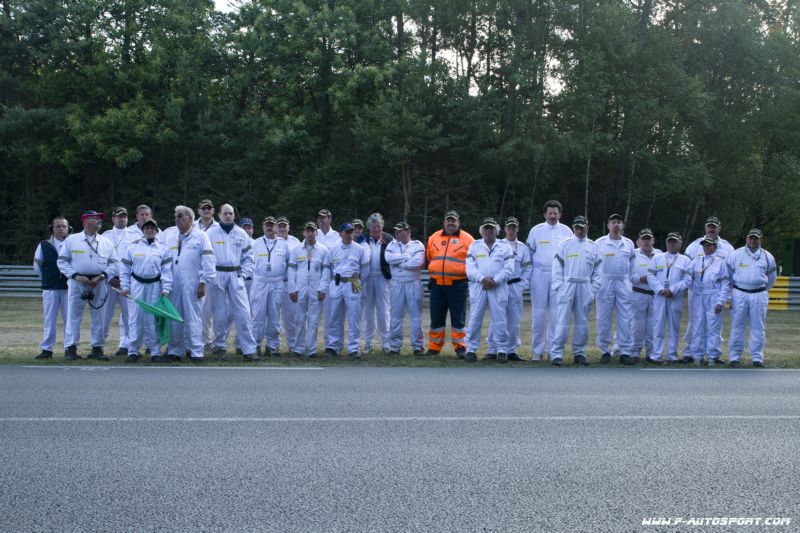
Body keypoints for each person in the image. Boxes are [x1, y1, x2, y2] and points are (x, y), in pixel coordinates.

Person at [57, 210, 118, 360]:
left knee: (99, 316)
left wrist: (102, 276)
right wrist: (76, 276)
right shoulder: (72, 240)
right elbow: (62, 261)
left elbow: (114, 263)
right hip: (77, 282)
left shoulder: (106, 242)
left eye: (100, 218)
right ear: (85, 222)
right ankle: (70, 349)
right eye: (95, 218)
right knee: (73, 315)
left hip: (99, 283)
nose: (99, 220)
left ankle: (97, 349)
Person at [206, 204, 259, 361]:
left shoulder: (241, 233)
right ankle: (219, 346)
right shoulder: (210, 233)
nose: (228, 216)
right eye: (225, 213)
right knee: (219, 313)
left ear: (234, 215)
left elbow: (249, 257)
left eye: (230, 213)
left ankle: (249, 349)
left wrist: (244, 274)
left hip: (236, 274)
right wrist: (210, 274)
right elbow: (205, 256)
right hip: (217, 274)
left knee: (244, 312)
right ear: (219, 215)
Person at [163, 206, 216, 363]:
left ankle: (196, 351)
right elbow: (166, 262)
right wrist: (166, 284)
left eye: (181, 216)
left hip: (193, 284)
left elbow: (208, 261)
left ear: (191, 219)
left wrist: (203, 283)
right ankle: (175, 350)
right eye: (176, 217)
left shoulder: (200, 236)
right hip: (174, 284)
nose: (178, 219)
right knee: (174, 318)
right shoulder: (171, 236)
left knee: (193, 318)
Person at [526, 200, 574, 361]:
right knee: (538, 313)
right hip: (539, 274)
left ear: (560, 214)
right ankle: (537, 351)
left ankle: (554, 351)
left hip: (559, 276)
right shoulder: (536, 230)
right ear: (544, 214)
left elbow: (570, 255)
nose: (552, 216)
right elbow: (529, 255)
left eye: (555, 213)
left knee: (556, 314)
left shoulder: (567, 231)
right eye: (550, 213)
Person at [119, 219, 173, 363]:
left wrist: (166, 288)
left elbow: (167, 270)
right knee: (135, 319)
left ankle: (155, 352)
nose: (150, 230)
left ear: (156, 231)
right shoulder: (133, 247)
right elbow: (124, 269)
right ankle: (133, 351)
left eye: (152, 228)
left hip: (155, 286)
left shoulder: (163, 248)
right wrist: (125, 286)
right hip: (136, 286)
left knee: (153, 320)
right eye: (147, 228)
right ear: (143, 230)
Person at [682, 216, 734, 363]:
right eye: (709, 226)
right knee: (695, 323)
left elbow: (729, 275)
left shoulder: (728, 248)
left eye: (714, 226)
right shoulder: (694, 246)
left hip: (715, 292)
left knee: (714, 325)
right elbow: (686, 270)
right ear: (705, 227)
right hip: (696, 293)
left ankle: (714, 355)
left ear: (719, 228)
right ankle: (691, 353)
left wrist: (724, 298)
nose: (711, 229)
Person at [550, 215, 600, 366]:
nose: (579, 230)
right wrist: (559, 287)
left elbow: (598, 271)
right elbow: (557, 268)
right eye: (577, 227)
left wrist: (593, 289)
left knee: (582, 322)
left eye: (582, 227)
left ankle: (579, 353)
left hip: (585, 286)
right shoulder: (564, 244)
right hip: (567, 285)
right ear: (573, 228)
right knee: (562, 321)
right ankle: (556, 353)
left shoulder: (593, 247)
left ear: (587, 227)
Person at [425, 210, 475, 357]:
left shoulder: (468, 239)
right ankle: (434, 348)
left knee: (458, 318)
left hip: (458, 285)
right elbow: (429, 257)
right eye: (448, 220)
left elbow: (473, 262)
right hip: (437, 285)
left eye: (453, 220)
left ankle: (460, 347)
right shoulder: (433, 237)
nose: (451, 223)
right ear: (444, 222)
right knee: (436, 317)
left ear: (458, 222)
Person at [465, 218, 514, 362]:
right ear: (482, 230)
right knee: (475, 319)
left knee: (500, 320)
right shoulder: (474, 246)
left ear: (496, 230)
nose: (488, 230)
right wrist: (482, 279)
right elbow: (470, 268)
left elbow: (509, 269)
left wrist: (495, 281)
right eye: (486, 228)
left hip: (498, 286)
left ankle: (502, 350)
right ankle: (470, 350)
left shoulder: (505, 246)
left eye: (491, 228)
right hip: (479, 286)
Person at [726, 229, 778, 368]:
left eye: (756, 238)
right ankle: (734, 357)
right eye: (751, 238)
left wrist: (761, 289)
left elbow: (771, 278)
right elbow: (729, 275)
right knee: (737, 325)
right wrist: (735, 290)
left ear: (760, 240)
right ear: (746, 238)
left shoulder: (767, 256)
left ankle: (757, 357)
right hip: (739, 293)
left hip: (759, 294)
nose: (753, 241)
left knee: (758, 327)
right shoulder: (735, 254)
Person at [486, 217, 531, 361]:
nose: (511, 230)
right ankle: (492, 349)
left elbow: (527, 268)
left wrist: (522, 285)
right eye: (509, 227)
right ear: (505, 229)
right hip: (500, 285)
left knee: (514, 319)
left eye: (514, 227)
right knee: (497, 318)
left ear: (518, 229)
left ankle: (511, 350)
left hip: (515, 286)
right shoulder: (497, 245)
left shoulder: (523, 248)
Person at [594, 214, 636, 364]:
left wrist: (630, 282)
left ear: (622, 225)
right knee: (603, 318)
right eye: (613, 222)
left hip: (623, 282)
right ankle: (604, 351)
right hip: (605, 282)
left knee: (625, 318)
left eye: (618, 222)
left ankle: (625, 352)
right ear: (608, 225)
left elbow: (632, 265)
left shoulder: (628, 244)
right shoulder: (599, 243)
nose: (616, 225)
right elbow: (594, 264)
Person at [323, 222, 370, 358]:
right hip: (337, 283)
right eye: (347, 232)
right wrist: (329, 283)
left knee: (354, 316)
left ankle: (353, 348)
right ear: (340, 234)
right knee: (334, 315)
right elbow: (327, 266)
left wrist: (359, 282)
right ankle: (333, 346)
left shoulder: (359, 249)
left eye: (351, 232)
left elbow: (365, 269)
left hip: (353, 283)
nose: (349, 235)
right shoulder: (333, 248)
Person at [647, 232, 691, 365]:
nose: (672, 244)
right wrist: (660, 289)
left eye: (675, 242)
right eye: (670, 241)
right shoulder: (657, 258)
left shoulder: (685, 260)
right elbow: (650, 276)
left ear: (680, 243)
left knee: (674, 327)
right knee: (658, 325)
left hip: (675, 297)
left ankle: (672, 356)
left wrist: (673, 289)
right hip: (659, 296)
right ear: (666, 242)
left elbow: (688, 279)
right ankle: (656, 355)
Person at [287, 222, 330, 357]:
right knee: (299, 319)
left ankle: (311, 349)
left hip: (316, 290)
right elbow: (291, 271)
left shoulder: (323, 250)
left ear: (316, 233)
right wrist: (292, 289)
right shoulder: (296, 250)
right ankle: (298, 348)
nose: (310, 233)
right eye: (308, 231)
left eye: (313, 231)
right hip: (300, 289)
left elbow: (326, 272)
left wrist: (323, 289)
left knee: (314, 320)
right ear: (304, 233)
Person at [384, 221, 425, 356]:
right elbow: (388, 258)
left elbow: (417, 262)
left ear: (408, 232)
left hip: (413, 282)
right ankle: (395, 346)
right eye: (395, 231)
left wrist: (400, 264)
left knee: (415, 316)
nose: (396, 233)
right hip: (396, 283)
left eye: (399, 231)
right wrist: (407, 257)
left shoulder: (417, 245)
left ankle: (418, 346)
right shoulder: (392, 245)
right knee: (395, 315)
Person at [251, 216, 291, 357]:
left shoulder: (283, 244)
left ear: (276, 227)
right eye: (267, 225)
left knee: (274, 316)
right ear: (263, 226)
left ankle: (273, 346)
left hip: (277, 283)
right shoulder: (256, 243)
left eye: (272, 225)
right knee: (257, 315)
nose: (269, 227)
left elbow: (288, 263)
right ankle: (255, 345)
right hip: (260, 283)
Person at [33, 216, 70, 359]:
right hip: (50, 288)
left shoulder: (73, 244)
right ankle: (47, 349)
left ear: (68, 228)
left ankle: (69, 348)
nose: (61, 229)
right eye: (58, 226)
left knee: (70, 320)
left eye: (64, 226)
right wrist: (48, 278)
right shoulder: (44, 245)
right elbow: (37, 266)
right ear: (52, 229)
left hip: (69, 288)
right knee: (49, 320)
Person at [102, 207, 133, 356]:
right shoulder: (105, 235)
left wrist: (127, 279)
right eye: (119, 216)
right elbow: (101, 259)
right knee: (105, 315)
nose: (122, 219)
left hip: (127, 282)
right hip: (109, 281)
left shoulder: (134, 235)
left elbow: (136, 259)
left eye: (124, 216)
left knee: (129, 316)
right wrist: (108, 277)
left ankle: (127, 345)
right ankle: (99, 345)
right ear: (113, 218)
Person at [361, 212, 393, 354]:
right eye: (374, 227)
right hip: (367, 278)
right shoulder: (363, 239)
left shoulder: (389, 239)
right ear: (369, 227)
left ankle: (386, 344)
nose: (376, 229)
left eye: (379, 226)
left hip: (383, 278)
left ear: (382, 226)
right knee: (368, 312)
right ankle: (368, 343)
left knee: (384, 311)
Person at [627, 228, 660, 363]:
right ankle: (634, 352)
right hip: (638, 293)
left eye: (648, 239)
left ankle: (651, 353)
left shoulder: (660, 255)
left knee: (653, 325)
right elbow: (630, 275)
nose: (646, 242)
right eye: (643, 239)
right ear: (638, 242)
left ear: (653, 240)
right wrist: (642, 279)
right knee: (637, 325)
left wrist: (653, 280)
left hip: (655, 295)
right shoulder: (633, 255)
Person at [194, 199, 219, 351]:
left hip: (214, 272)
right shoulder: (192, 226)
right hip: (196, 272)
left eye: (209, 208)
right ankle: (199, 339)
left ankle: (209, 340)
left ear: (213, 211)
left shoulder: (219, 227)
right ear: (199, 211)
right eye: (203, 208)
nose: (206, 211)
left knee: (211, 309)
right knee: (199, 309)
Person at [276, 216, 301, 352]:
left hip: (289, 283)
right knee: (274, 316)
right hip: (275, 282)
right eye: (279, 226)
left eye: (284, 226)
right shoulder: (272, 241)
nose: (282, 228)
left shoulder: (295, 242)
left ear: (288, 227)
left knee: (291, 316)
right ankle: (274, 345)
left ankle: (293, 345)